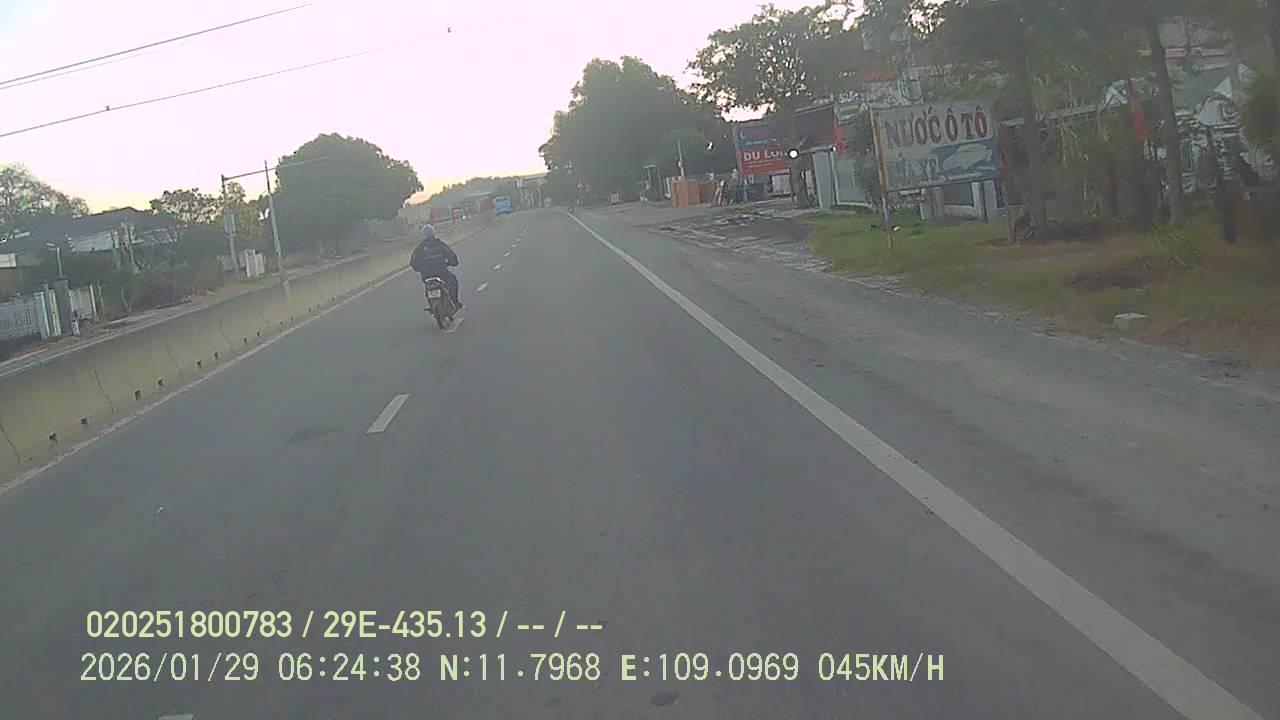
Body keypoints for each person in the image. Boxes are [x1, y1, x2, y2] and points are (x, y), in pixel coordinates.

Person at [409, 224, 461, 310]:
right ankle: (454, 302)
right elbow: (452, 256)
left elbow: (413, 263)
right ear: (433, 233)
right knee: (453, 281)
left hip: (426, 276)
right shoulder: (440, 244)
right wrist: (451, 263)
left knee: (428, 287)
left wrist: (420, 269)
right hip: (441, 273)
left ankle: (432, 304)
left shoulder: (419, 249)